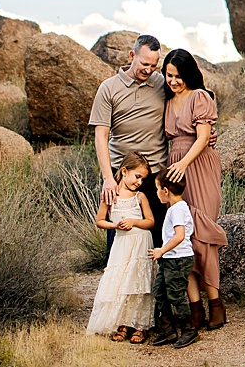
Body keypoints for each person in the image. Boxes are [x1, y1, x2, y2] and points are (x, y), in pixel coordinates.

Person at [164, 47, 228, 333]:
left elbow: (203, 138)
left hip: (199, 164)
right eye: (168, 75)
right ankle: (195, 308)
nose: (173, 81)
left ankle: (215, 303)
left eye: (178, 75)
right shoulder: (167, 100)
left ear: (189, 74)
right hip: (174, 166)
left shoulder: (199, 97)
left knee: (202, 233)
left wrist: (183, 164)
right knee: (183, 234)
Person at [88, 34, 169, 239]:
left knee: (157, 235)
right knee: (119, 237)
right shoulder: (108, 88)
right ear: (132, 55)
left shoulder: (161, 83)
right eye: (144, 63)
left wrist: (207, 127)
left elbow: (191, 96)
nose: (148, 70)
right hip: (121, 174)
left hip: (156, 172)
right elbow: (101, 135)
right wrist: (108, 179)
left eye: (153, 65)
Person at [86, 155, 155, 343]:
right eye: (137, 176)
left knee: (138, 283)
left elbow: (150, 222)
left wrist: (134, 222)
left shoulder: (140, 197)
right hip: (122, 244)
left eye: (143, 179)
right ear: (124, 171)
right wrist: (115, 226)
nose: (139, 182)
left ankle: (140, 325)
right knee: (123, 282)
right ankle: (123, 323)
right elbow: (100, 221)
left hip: (140, 241)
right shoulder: (110, 196)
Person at [149, 171, 198, 348]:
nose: (156, 193)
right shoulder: (174, 208)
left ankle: (189, 329)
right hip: (170, 258)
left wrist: (161, 250)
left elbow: (179, 236)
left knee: (176, 295)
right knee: (160, 291)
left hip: (178, 258)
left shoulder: (177, 209)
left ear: (166, 190)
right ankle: (167, 329)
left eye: (157, 189)